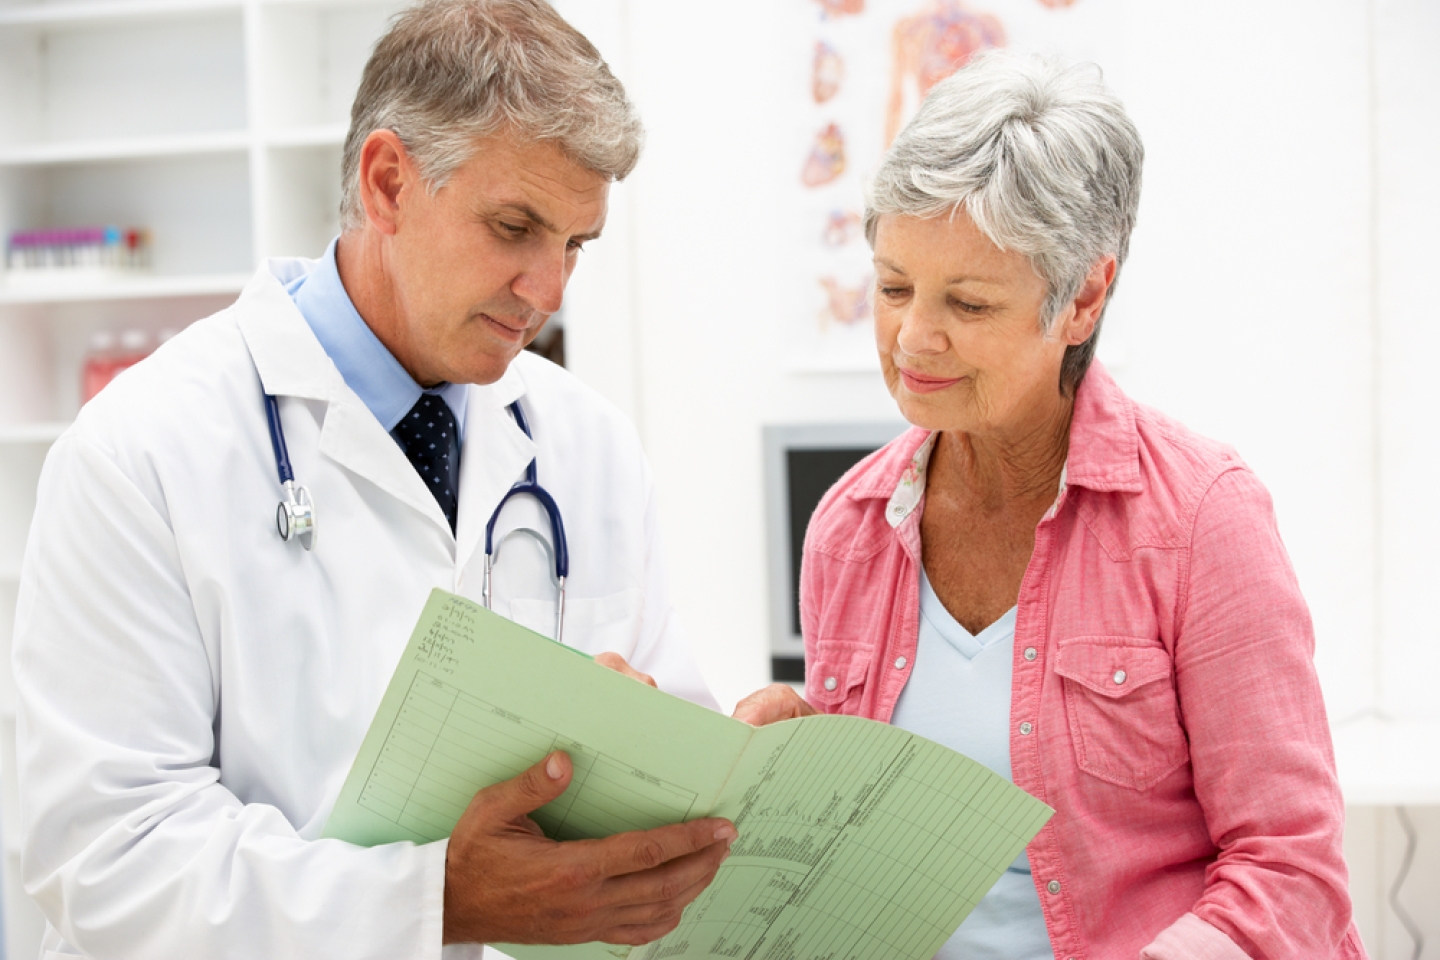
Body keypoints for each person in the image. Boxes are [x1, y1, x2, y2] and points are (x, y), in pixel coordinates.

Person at [13, 2, 736, 957]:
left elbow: (660, 759)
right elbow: (107, 862)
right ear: (389, 181)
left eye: (575, 245)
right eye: (515, 227)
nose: (550, 291)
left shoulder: (586, 446)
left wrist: (710, 773)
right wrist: (432, 900)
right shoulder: (140, 452)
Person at [735, 52, 1365, 960]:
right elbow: (873, 859)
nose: (913, 338)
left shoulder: (1201, 519)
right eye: (894, 286)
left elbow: (1292, 869)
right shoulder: (850, 525)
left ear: (1084, 298)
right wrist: (787, 778)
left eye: (969, 301)